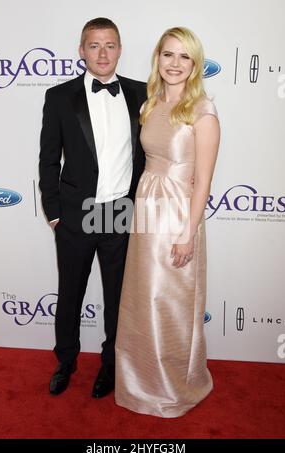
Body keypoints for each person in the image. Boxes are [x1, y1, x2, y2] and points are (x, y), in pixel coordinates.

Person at [115, 26, 220, 417]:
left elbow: (204, 181)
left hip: (177, 214)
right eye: (168, 54)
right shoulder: (150, 103)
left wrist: (187, 233)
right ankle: (140, 381)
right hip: (147, 208)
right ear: (157, 58)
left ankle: (175, 386)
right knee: (144, 298)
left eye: (184, 57)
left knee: (170, 300)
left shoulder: (204, 112)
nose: (174, 64)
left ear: (195, 64)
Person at [39, 17, 146, 398]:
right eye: (94, 45)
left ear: (120, 49)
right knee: (70, 294)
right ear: (82, 51)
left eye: (110, 45)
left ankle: (110, 366)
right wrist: (54, 212)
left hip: (120, 213)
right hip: (75, 213)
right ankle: (65, 361)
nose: (103, 53)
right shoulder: (59, 97)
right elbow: (48, 160)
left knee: (118, 298)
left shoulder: (142, 93)